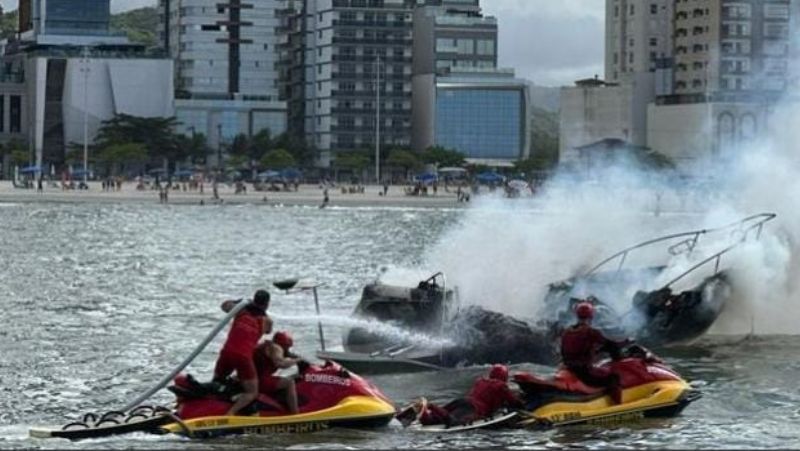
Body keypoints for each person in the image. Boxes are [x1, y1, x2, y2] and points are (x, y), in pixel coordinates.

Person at [399, 364, 523, 427]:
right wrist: (521, 404)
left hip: (463, 401)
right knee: (453, 422)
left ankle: (424, 412)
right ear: (504, 376)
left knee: (434, 421)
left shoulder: (480, 380)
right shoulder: (501, 386)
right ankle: (429, 405)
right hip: (473, 408)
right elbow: (514, 402)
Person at [213, 290, 274, 415]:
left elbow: (224, 306)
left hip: (227, 352)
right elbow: (268, 331)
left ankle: (211, 405)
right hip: (243, 357)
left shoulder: (241, 310)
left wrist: (239, 302)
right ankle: (229, 415)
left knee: (216, 382)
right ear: (267, 304)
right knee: (252, 392)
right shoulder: (267, 320)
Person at [560, 301, 629, 405]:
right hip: (584, 372)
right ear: (591, 316)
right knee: (614, 378)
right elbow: (610, 343)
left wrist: (596, 350)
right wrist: (624, 343)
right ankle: (618, 406)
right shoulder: (590, 332)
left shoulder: (567, 332)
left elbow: (570, 350)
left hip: (569, 369)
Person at [253, 331, 301, 414]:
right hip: (261, 381)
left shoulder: (265, 346)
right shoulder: (276, 348)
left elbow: (282, 357)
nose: (287, 350)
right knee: (290, 382)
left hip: (252, 379)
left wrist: (293, 358)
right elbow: (280, 364)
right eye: (287, 347)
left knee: (292, 376)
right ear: (284, 345)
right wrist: (297, 360)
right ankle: (295, 413)